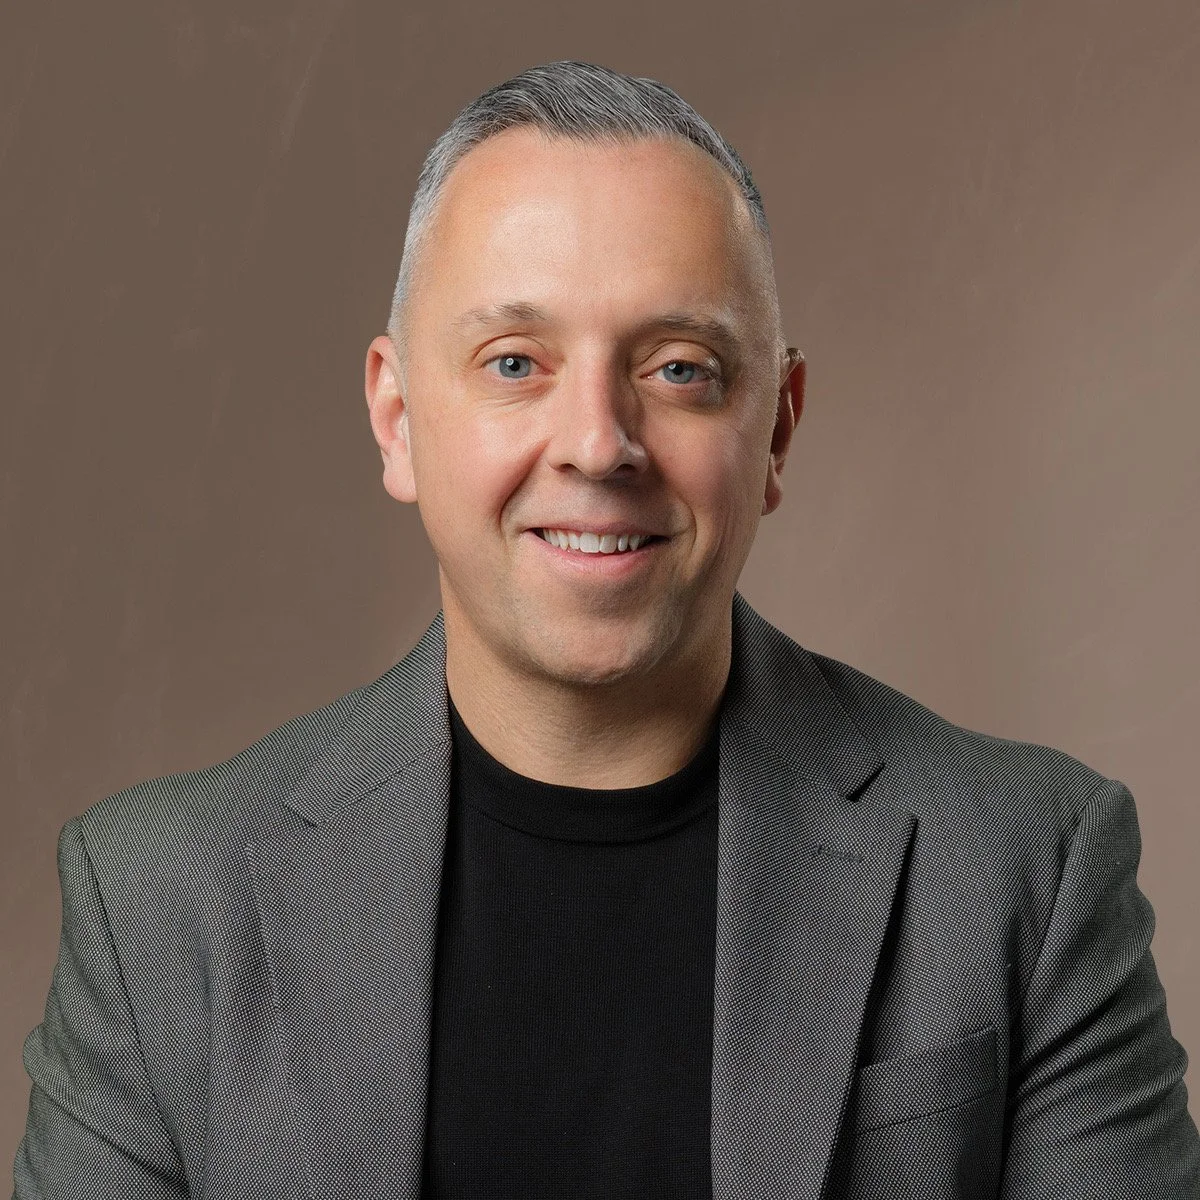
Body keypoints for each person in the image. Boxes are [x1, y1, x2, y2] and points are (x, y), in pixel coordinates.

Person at [13, 59, 1199, 1200]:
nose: (598, 442)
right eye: (515, 361)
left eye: (680, 369)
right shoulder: (159, 903)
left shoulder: (1026, 871)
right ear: (398, 420)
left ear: (776, 431)